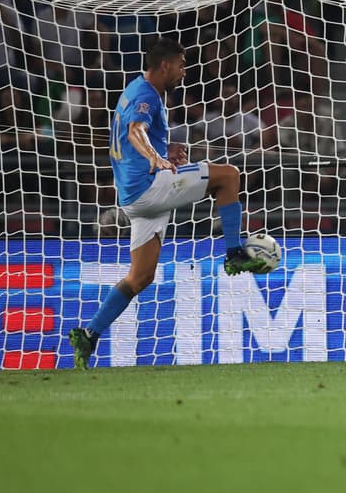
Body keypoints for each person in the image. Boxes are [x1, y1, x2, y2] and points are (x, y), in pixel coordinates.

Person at [67, 37, 270, 370]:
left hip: (134, 198)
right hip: (150, 187)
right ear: (165, 65)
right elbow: (135, 132)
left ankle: (89, 334)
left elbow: (137, 133)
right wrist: (156, 158)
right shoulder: (146, 95)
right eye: (182, 64)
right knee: (230, 176)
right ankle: (234, 254)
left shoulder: (137, 90)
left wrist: (164, 149)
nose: (184, 71)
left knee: (140, 277)